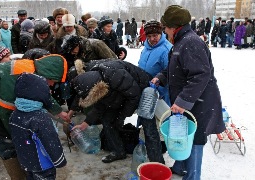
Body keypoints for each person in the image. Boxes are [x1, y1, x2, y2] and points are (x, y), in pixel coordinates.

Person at [152, 5, 225, 179]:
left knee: (194, 139)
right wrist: (161, 77)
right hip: (190, 101)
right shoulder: (180, 42)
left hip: (198, 102)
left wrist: (183, 101)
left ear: (173, 27)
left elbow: (200, 74)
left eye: (165, 28)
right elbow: (177, 69)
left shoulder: (190, 42)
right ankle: (180, 167)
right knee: (183, 135)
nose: (164, 32)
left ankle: (192, 176)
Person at [0, 54, 69, 179]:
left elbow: (41, 93)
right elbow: (5, 111)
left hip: (0, 106)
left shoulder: (31, 71)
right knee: (9, 147)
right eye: (52, 81)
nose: (51, 85)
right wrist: (16, 134)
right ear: (48, 74)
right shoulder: (19, 77)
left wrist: (58, 111)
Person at [70, 60, 152, 163]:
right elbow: (100, 106)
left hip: (142, 87)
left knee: (118, 121)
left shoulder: (114, 75)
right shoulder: (96, 81)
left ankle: (150, 151)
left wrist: (122, 115)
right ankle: (118, 149)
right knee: (107, 119)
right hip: (122, 93)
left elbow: (134, 96)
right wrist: (85, 124)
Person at [9, 73, 67, 179]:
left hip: (26, 162)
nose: (49, 91)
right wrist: (59, 160)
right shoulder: (40, 118)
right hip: (43, 165)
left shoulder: (15, 114)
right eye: (46, 90)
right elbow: (51, 142)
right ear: (39, 94)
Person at [137, 19, 173, 163]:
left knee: (161, 122)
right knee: (149, 122)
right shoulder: (145, 48)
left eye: (155, 35)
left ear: (161, 33)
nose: (152, 39)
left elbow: (170, 73)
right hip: (147, 92)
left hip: (161, 94)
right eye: (149, 36)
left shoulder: (167, 49)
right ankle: (153, 145)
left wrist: (159, 86)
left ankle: (162, 147)